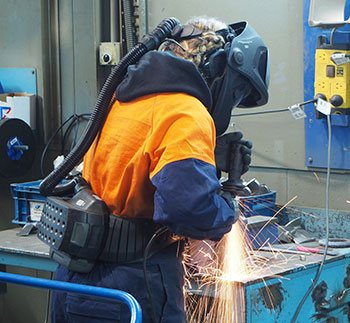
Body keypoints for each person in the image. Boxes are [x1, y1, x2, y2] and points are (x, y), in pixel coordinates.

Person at [50, 16, 268, 323]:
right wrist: (226, 206)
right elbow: (187, 210)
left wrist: (209, 165)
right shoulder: (185, 111)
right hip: (131, 282)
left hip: (73, 279)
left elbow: (135, 163)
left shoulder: (122, 96)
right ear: (221, 72)